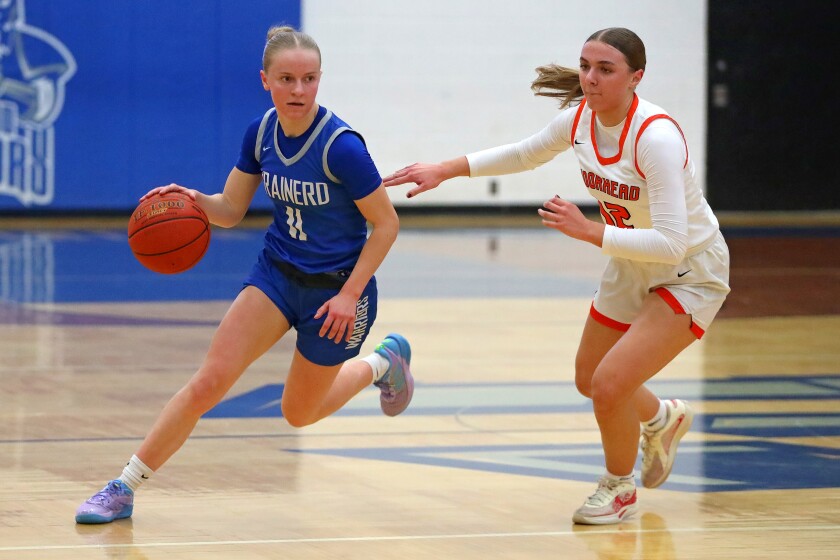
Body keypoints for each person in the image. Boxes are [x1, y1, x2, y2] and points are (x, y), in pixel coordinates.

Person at [383, 27, 729, 525]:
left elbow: (673, 241)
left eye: (605, 69)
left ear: (636, 77)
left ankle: (619, 489)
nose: (590, 78)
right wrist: (445, 169)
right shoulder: (580, 119)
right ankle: (660, 418)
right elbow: (524, 153)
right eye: (585, 66)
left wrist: (590, 231)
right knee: (590, 378)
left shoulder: (655, 138)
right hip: (631, 261)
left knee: (610, 384)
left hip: (689, 269)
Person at [75, 25, 414, 524]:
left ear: (320, 80)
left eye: (309, 79)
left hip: (337, 292)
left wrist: (349, 294)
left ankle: (383, 363)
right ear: (265, 80)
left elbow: (386, 225)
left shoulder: (340, 147)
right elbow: (231, 209)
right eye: (287, 79)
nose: (298, 90)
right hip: (277, 274)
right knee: (208, 383)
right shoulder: (261, 133)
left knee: (298, 412)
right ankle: (123, 487)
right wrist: (192, 200)